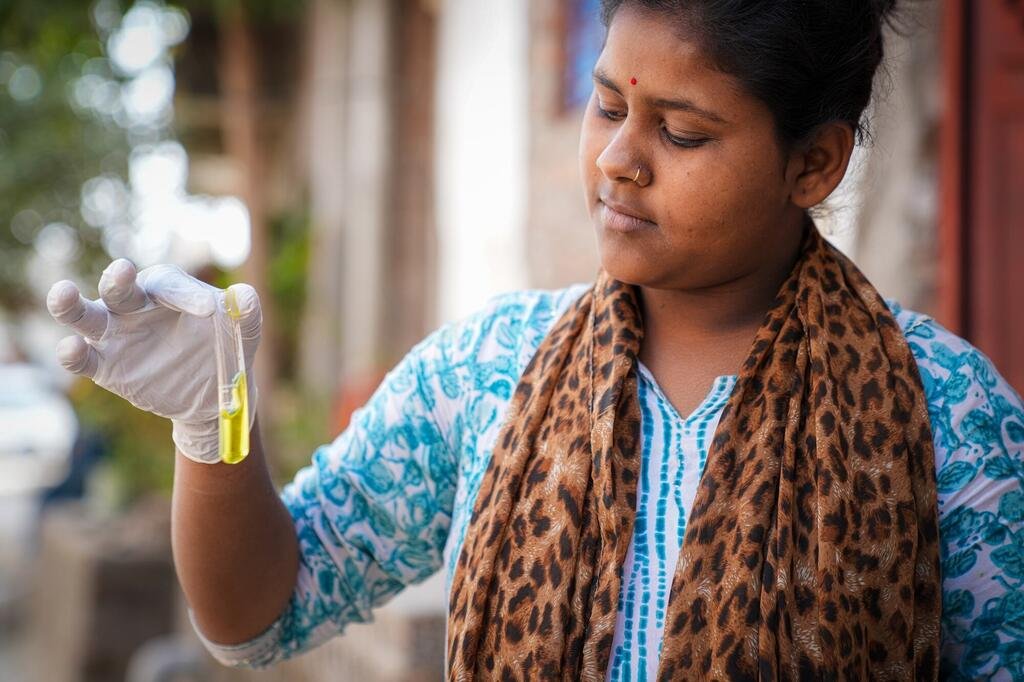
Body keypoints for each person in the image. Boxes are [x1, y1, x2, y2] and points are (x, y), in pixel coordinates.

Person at [46, 0, 1024, 679]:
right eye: (607, 104)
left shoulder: (945, 409)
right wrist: (211, 425)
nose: (615, 159)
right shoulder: (486, 372)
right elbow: (255, 614)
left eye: (679, 132)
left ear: (813, 162)